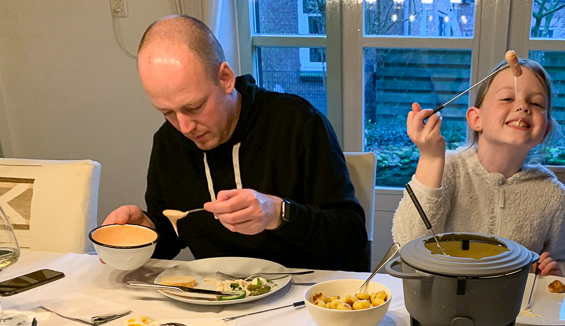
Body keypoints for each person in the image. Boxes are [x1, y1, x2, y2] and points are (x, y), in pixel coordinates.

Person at [103, 15, 367, 269]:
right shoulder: (168, 143)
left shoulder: (297, 123)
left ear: (225, 79)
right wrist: (146, 234)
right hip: (213, 292)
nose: (184, 127)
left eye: (194, 107)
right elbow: (172, 236)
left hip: (303, 292)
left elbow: (351, 235)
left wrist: (279, 213)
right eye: (167, 112)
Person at [392, 58, 565, 277]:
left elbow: (561, 260)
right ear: (476, 119)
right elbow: (408, 245)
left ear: (545, 131)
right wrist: (430, 159)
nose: (523, 107)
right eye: (507, 98)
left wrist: (555, 274)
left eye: (536, 103)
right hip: (444, 296)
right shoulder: (446, 170)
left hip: (518, 299)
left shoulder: (553, 195)